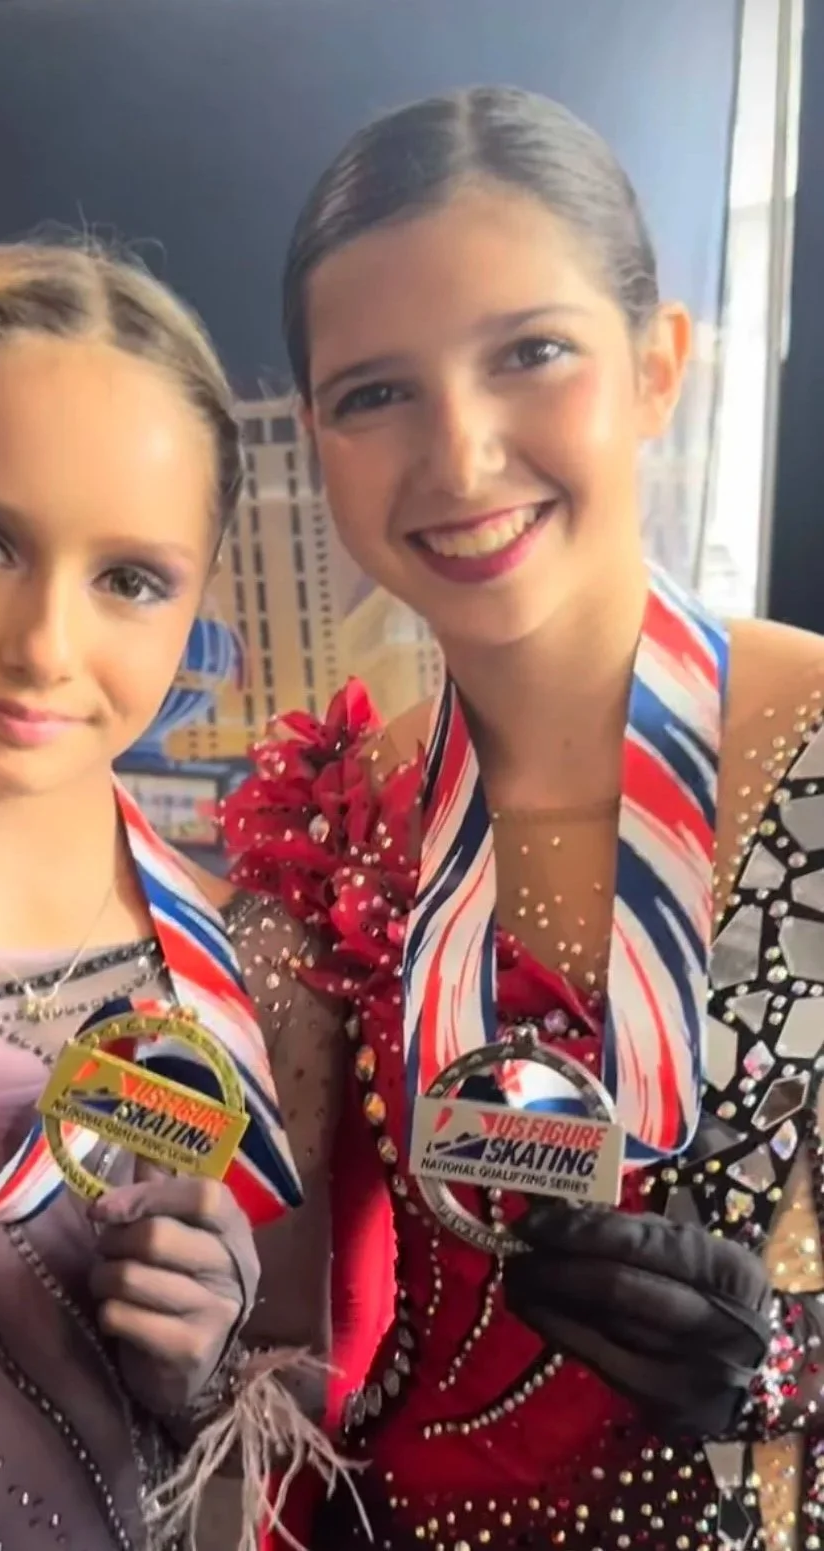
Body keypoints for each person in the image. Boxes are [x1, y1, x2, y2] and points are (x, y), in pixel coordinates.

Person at [223, 87, 824, 1550]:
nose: (460, 455)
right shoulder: (330, 820)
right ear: (314, 436)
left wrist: (790, 1365)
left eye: (531, 353)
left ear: (657, 365)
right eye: (376, 393)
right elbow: (272, 1333)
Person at [0, 241, 346, 1551]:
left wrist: (200, 1375)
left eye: (129, 579)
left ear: (198, 595)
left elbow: (294, 1421)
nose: (44, 644)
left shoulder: (256, 979)